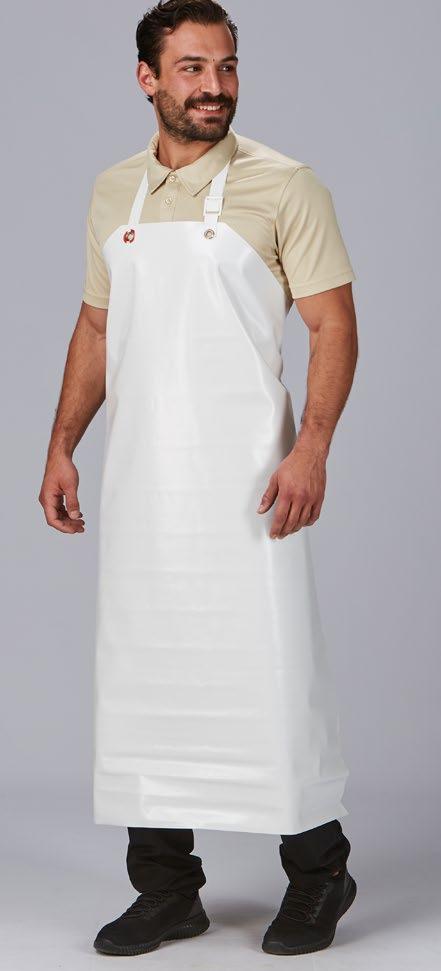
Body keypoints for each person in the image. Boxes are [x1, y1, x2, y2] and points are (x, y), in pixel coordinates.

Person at [38, 0, 359, 957]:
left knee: (270, 674)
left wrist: (311, 448)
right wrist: (62, 444)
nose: (213, 86)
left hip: (252, 477)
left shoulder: (285, 184)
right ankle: (167, 888)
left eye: (224, 66)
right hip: (145, 480)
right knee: (145, 676)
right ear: (147, 78)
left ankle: (320, 872)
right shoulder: (114, 193)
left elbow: (332, 324)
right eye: (190, 68)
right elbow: (97, 326)